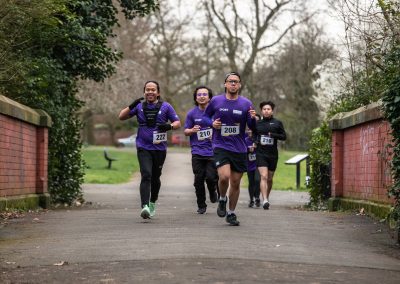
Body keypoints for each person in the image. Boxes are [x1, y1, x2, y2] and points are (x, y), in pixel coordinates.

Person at [118, 81, 181, 219]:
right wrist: (131, 106)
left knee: (155, 177)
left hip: (159, 148)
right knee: (146, 174)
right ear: (144, 92)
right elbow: (121, 116)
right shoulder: (139, 106)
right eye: (147, 90)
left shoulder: (166, 106)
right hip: (143, 146)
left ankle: (152, 202)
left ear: (158, 92)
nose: (150, 92)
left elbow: (177, 122)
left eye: (153, 90)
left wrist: (169, 126)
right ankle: (144, 206)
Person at [203, 72, 257, 226]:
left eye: (236, 82)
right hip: (220, 145)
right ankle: (222, 199)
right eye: (230, 81)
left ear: (239, 85)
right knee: (224, 177)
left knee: (235, 182)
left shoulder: (246, 104)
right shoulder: (216, 101)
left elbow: (252, 127)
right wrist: (212, 124)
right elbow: (206, 117)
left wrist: (253, 119)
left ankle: (231, 213)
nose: (233, 84)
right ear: (225, 84)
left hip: (239, 148)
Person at [184, 86, 219, 214]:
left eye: (205, 94)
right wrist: (192, 130)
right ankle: (201, 205)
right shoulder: (191, 113)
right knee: (198, 180)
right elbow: (186, 131)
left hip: (213, 151)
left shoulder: (216, 112)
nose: (202, 96)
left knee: (211, 178)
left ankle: (212, 190)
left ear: (210, 97)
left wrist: (215, 133)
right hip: (197, 151)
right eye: (199, 94)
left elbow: (224, 128)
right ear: (196, 98)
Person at [254, 101, 286, 210]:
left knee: (270, 178)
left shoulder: (278, 123)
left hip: (272, 154)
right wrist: (256, 141)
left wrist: (272, 135)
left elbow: (283, 136)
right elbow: (253, 135)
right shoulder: (257, 123)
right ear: (261, 111)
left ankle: (266, 196)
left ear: (272, 111)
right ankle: (265, 200)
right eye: (264, 109)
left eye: (268, 109)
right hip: (260, 153)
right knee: (264, 176)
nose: (266, 111)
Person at [245, 128, 261, 208]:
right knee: (251, 182)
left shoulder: (258, 139)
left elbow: (262, 150)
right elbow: (242, 151)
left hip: (258, 164)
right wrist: (248, 150)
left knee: (257, 180)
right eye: (248, 130)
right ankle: (251, 200)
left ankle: (257, 198)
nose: (250, 131)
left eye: (252, 130)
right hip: (249, 164)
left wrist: (256, 147)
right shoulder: (245, 140)